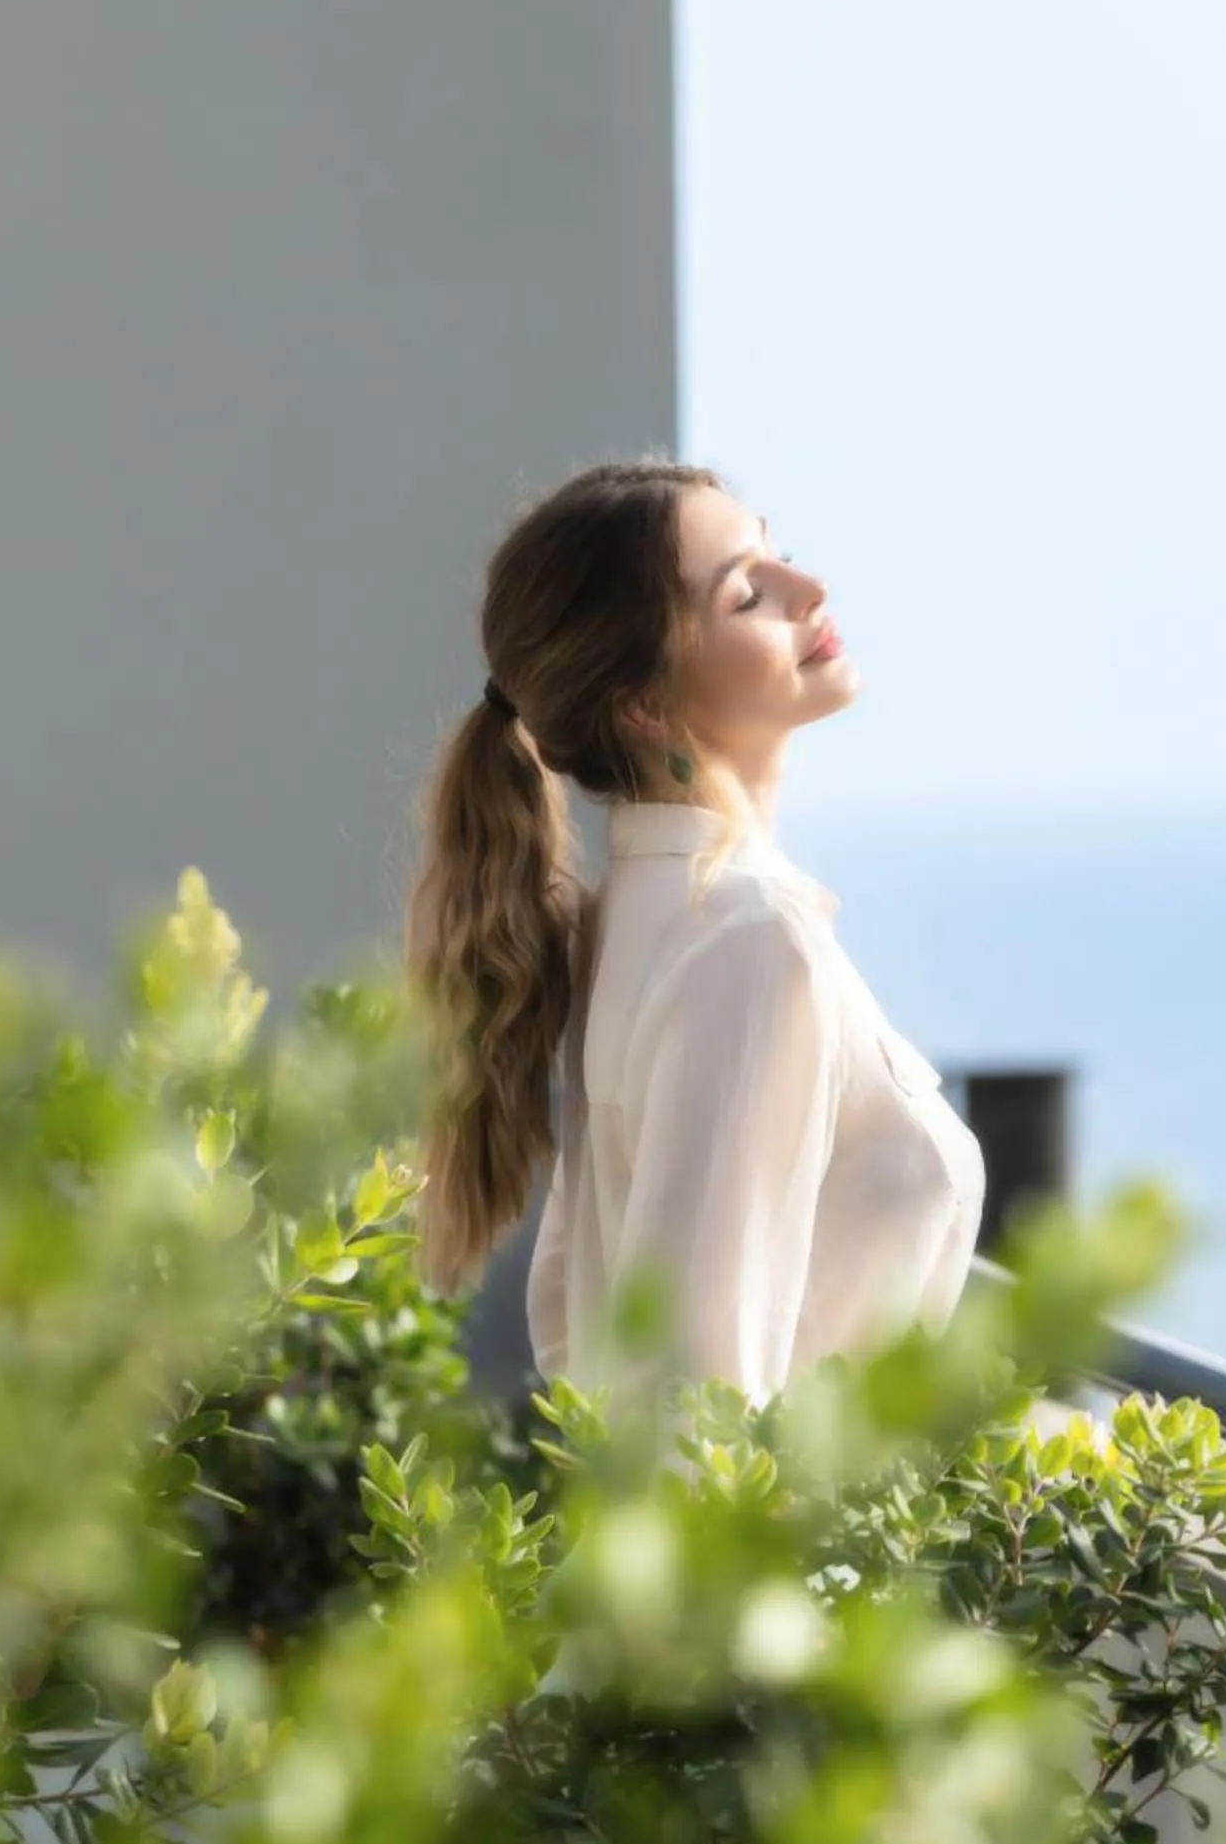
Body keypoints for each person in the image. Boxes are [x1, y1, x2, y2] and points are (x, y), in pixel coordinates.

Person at [403, 456, 986, 1414]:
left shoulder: (639, 918)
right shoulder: (744, 941)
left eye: (780, 557)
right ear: (645, 704)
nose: (810, 590)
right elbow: (690, 1402)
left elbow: (589, 1326)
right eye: (749, 593)